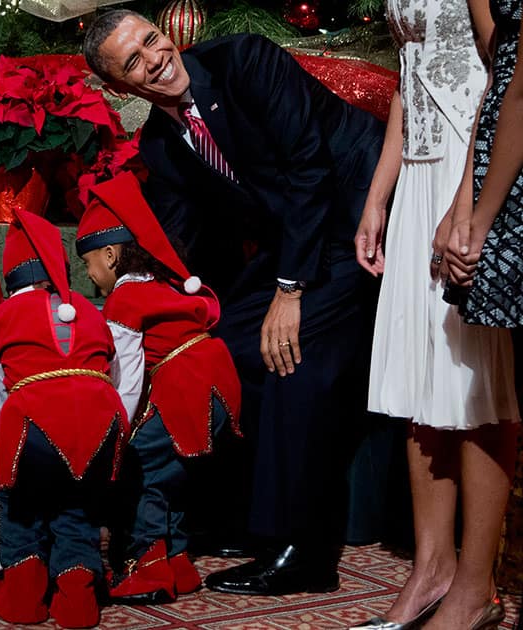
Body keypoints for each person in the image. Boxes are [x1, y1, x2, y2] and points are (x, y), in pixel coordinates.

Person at [83, 10, 385, 595]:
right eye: (134, 61)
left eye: (152, 39)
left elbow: (308, 167)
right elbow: (189, 245)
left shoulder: (245, 60)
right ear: (120, 86)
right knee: (222, 344)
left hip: (359, 217)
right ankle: (247, 518)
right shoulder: (162, 145)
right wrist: (150, 309)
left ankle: (301, 549)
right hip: (298, 238)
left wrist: (290, 291)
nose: (155, 59)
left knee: (290, 355)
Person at [349, 0, 521, 628]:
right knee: (424, 377)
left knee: (472, 379)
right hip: (421, 171)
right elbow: (408, 76)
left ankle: (477, 589)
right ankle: (431, 570)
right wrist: (378, 197)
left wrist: (466, 198)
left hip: (468, 167)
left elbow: (505, 74)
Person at [76, 172, 240, 602]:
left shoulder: (124, 298)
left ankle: (146, 572)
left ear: (110, 255)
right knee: (173, 471)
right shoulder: (161, 283)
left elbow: (128, 379)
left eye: (88, 262)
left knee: (142, 467)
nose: (88, 274)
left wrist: (118, 433)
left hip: (186, 387)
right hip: (218, 383)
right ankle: (178, 562)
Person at [0, 208, 127, 628]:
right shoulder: (88, 308)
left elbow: (0, 393)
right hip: (100, 419)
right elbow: (111, 372)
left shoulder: (2, 316)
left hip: (34, 421)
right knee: (77, 507)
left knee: (20, 507)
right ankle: (78, 603)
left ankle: (23, 600)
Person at [441, 0, 523, 627]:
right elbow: (501, 80)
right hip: (502, 162)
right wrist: (467, 198)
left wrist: (484, 214)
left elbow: (520, 92)